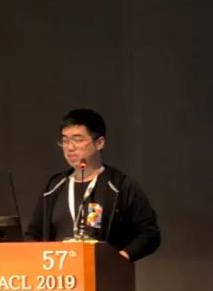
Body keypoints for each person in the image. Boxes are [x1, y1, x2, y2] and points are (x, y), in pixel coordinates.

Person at [26, 108, 160, 261]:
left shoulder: (120, 186)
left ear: (99, 143)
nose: (69, 147)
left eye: (78, 139)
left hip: (105, 272)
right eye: (65, 140)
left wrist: (119, 259)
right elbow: (33, 234)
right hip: (59, 272)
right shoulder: (53, 187)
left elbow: (149, 234)